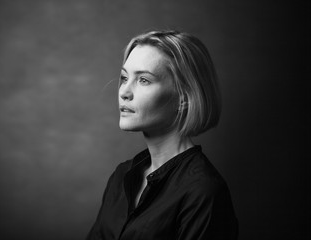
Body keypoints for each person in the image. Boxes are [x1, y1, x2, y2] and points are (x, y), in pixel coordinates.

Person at [86, 30, 238, 240]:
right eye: (124, 78)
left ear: (184, 98)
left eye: (144, 80)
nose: (124, 92)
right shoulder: (121, 176)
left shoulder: (203, 192)